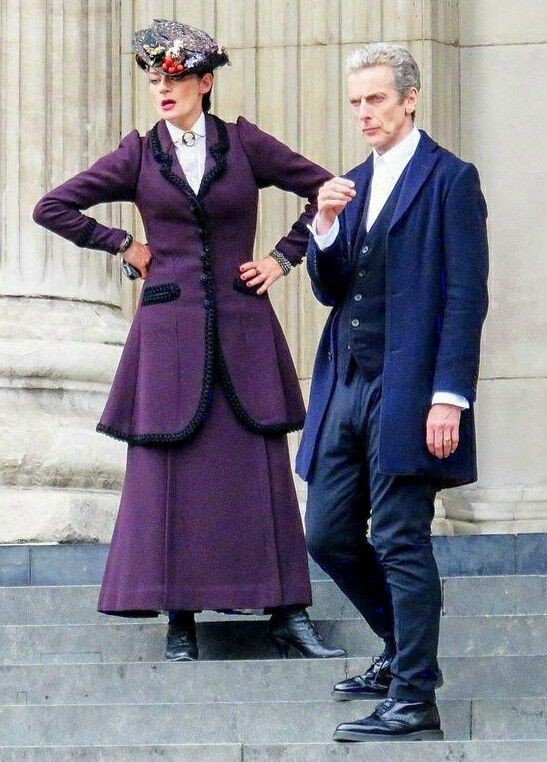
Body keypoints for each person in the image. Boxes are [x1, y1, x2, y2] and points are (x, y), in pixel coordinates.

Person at [33, 19, 345, 663]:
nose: (163, 88)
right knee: (172, 476)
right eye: (155, 79)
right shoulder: (138, 154)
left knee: (257, 469)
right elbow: (52, 207)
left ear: (205, 82)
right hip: (168, 339)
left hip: (243, 329)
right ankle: (181, 618)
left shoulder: (245, 144)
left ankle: (287, 612)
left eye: (175, 77)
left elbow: (328, 187)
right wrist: (124, 244)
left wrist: (284, 257)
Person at [296, 43, 488, 741]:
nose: (363, 113)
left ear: (409, 98)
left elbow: (465, 296)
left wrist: (449, 395)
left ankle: (414, 699)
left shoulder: (450, 179)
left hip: (410, 390)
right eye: (355, 102)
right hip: (345, 383)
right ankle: (399, 650)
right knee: (325, 532)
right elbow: (330, 289)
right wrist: (323, 229)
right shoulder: (350, 185)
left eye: (375, 99)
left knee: (402, 537)